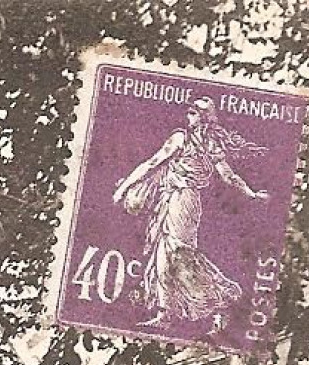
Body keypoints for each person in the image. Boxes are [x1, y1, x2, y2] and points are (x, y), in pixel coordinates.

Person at [112, 97, 269, 331]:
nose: (189, 116)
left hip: (184, 201)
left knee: (179, 254)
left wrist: (251, 193)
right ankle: (166, 312)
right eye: (189, 112)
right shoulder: (193, 141)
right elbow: (152, 163)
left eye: (194, 113)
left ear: (203, 117)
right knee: (163, 255)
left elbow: (227, 175)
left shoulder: (196, 142)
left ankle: (217, 304)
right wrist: (125, 187)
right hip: (174, 199)